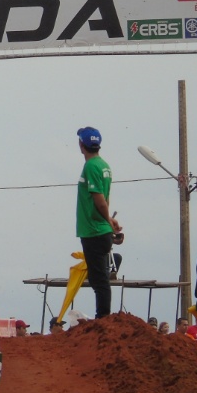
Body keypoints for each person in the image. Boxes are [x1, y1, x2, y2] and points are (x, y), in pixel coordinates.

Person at [75, 127, 120, 319]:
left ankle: (103, 317)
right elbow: (106, 200)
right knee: (98, 278)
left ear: (81, 145)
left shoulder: (91, 166)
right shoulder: (104, 165)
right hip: (100, 229)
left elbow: (99, 199)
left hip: (93, 230)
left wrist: (108, 220)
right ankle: (103, 315)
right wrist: (109, 220)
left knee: (99, 280)